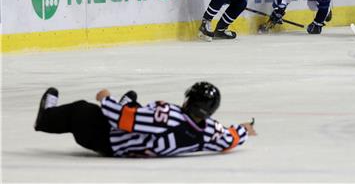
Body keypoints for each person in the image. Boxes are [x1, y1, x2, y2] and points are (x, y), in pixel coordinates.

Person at [34, 82, 256, 157]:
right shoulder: (209, 130)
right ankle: (127, 103)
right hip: (141, 141)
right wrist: (244, 129)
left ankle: (45, 118)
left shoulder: (168, 117)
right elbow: (230, 139)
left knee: (80, 110)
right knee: (137, 108)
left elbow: (123, 120)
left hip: (108, 141)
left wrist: (106, 99)